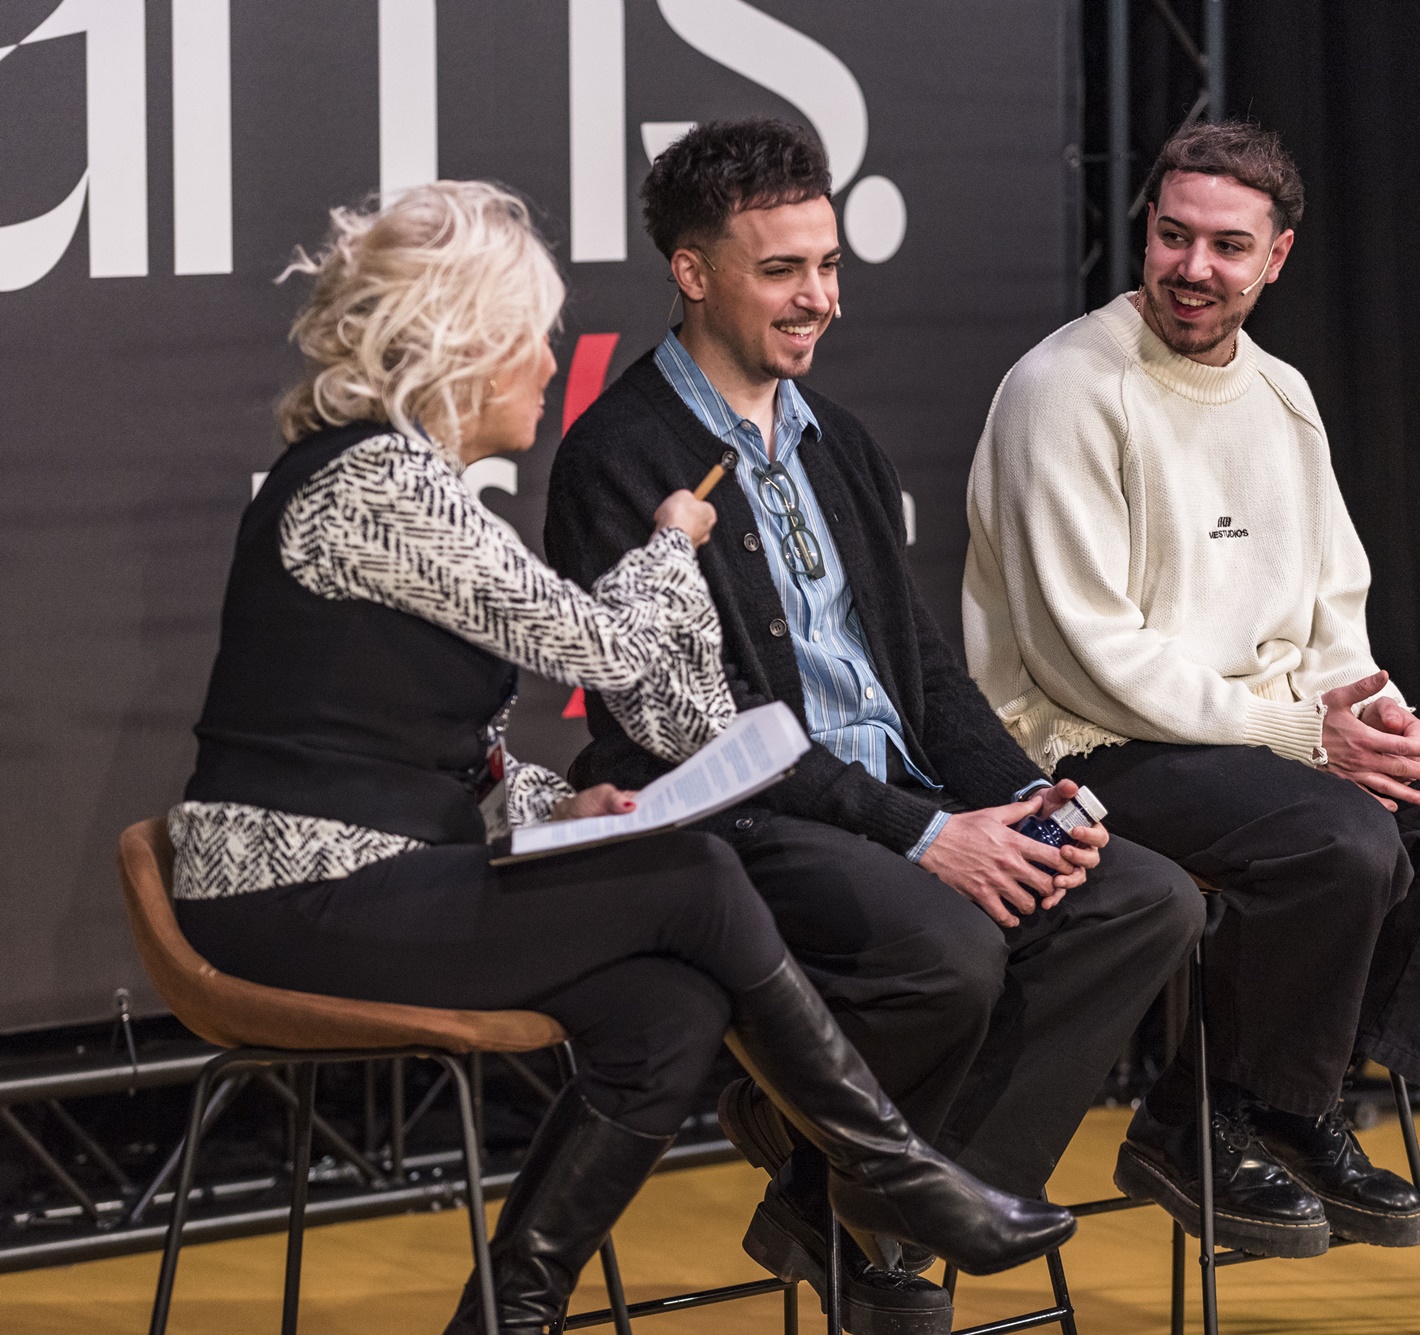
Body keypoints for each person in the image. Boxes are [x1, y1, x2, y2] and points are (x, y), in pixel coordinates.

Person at [169, 181, 1073, 1335]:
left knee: (661, 1010)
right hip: (287, 893)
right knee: (693, 878)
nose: (551, 367)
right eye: (532, 342)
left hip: (367, 877)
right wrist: (670, 543)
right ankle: (896, 1175)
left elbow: (441, 753)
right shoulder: (375, 485)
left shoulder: (404, 487)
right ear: (463, 348)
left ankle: (511, 1312)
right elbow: (603, 645)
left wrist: (566, 802)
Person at [544, 121, 1202, 1332]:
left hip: (886, 797)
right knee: (942, 952)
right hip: (736, 813)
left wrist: (1032, 806)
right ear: (692, 273)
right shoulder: (616, 452)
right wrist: (924, 837)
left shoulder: (834, 440)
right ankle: (862, 1211)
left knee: (1139, 899)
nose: (819, 299)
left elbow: (919, 677)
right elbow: (696, 728)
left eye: (829, 265)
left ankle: (850, 1205)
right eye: (782, 270)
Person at [963, 120, 1420, 1258]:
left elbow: (1330, 600)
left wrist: (1358, 710)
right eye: (1171, 236)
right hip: (1088, 740)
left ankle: (1285, 1099)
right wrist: (1300, 732)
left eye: (1225, 246)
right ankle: (1213, 1117)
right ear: (1145, 231)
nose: (1192, 269)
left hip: (1270, 735)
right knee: (1344, 844)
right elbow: (1083, 653)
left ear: (1275, 258)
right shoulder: (1062, 388)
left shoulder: (1282, 395)